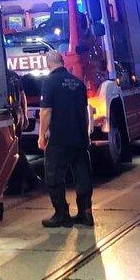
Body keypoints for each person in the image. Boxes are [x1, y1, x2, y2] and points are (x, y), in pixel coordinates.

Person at [38, 50, 95, 228]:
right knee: (82, 174)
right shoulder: (78, 83)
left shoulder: (49, 82)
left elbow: (46, 111)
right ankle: (86, 213)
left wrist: (41, 136)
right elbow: (86, 110)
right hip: (79, 137)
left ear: (48, 64)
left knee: (53, 175)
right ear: (63, 62)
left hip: (59, 138)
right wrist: (86, 134)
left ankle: (61, 214)